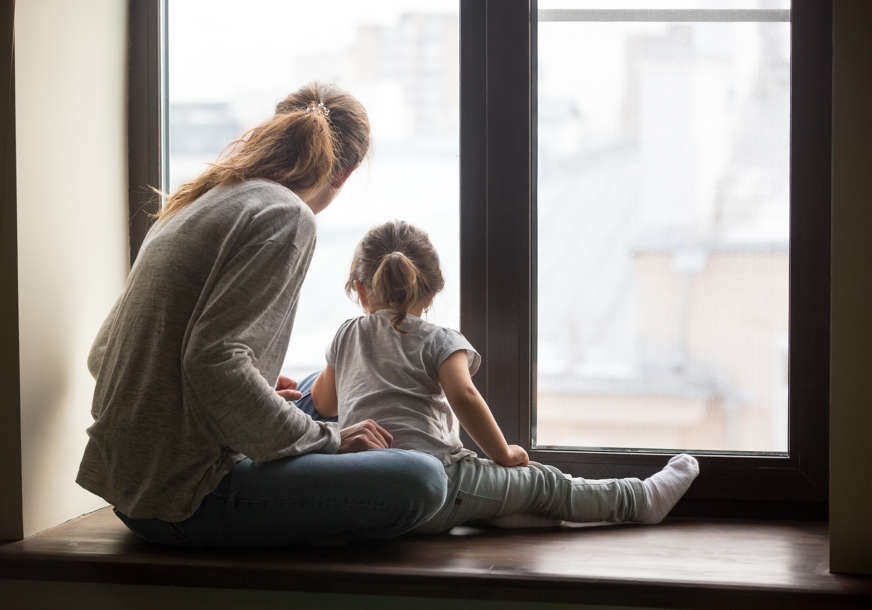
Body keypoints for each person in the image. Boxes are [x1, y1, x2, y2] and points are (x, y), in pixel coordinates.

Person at [76, 83, 448, 548]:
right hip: (188, 498)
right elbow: (213, 363)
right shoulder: (285, 214)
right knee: (423, 477)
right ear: (346, 173)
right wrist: (330, 442)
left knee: (313, 388)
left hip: (131, 490)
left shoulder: (194, 203)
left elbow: (104, 354)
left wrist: (236, 400)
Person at [308, 220, 700, 534]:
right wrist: (504, 454)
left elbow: (325, 403)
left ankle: (508, 515)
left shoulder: (346, 334)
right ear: (430, 292)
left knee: (500, 494)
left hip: (372, 494)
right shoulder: (440, 340)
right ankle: (640, 501)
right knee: (543, 482)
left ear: (359, 289)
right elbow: (464, 395)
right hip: (441, 486)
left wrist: (299, 395)